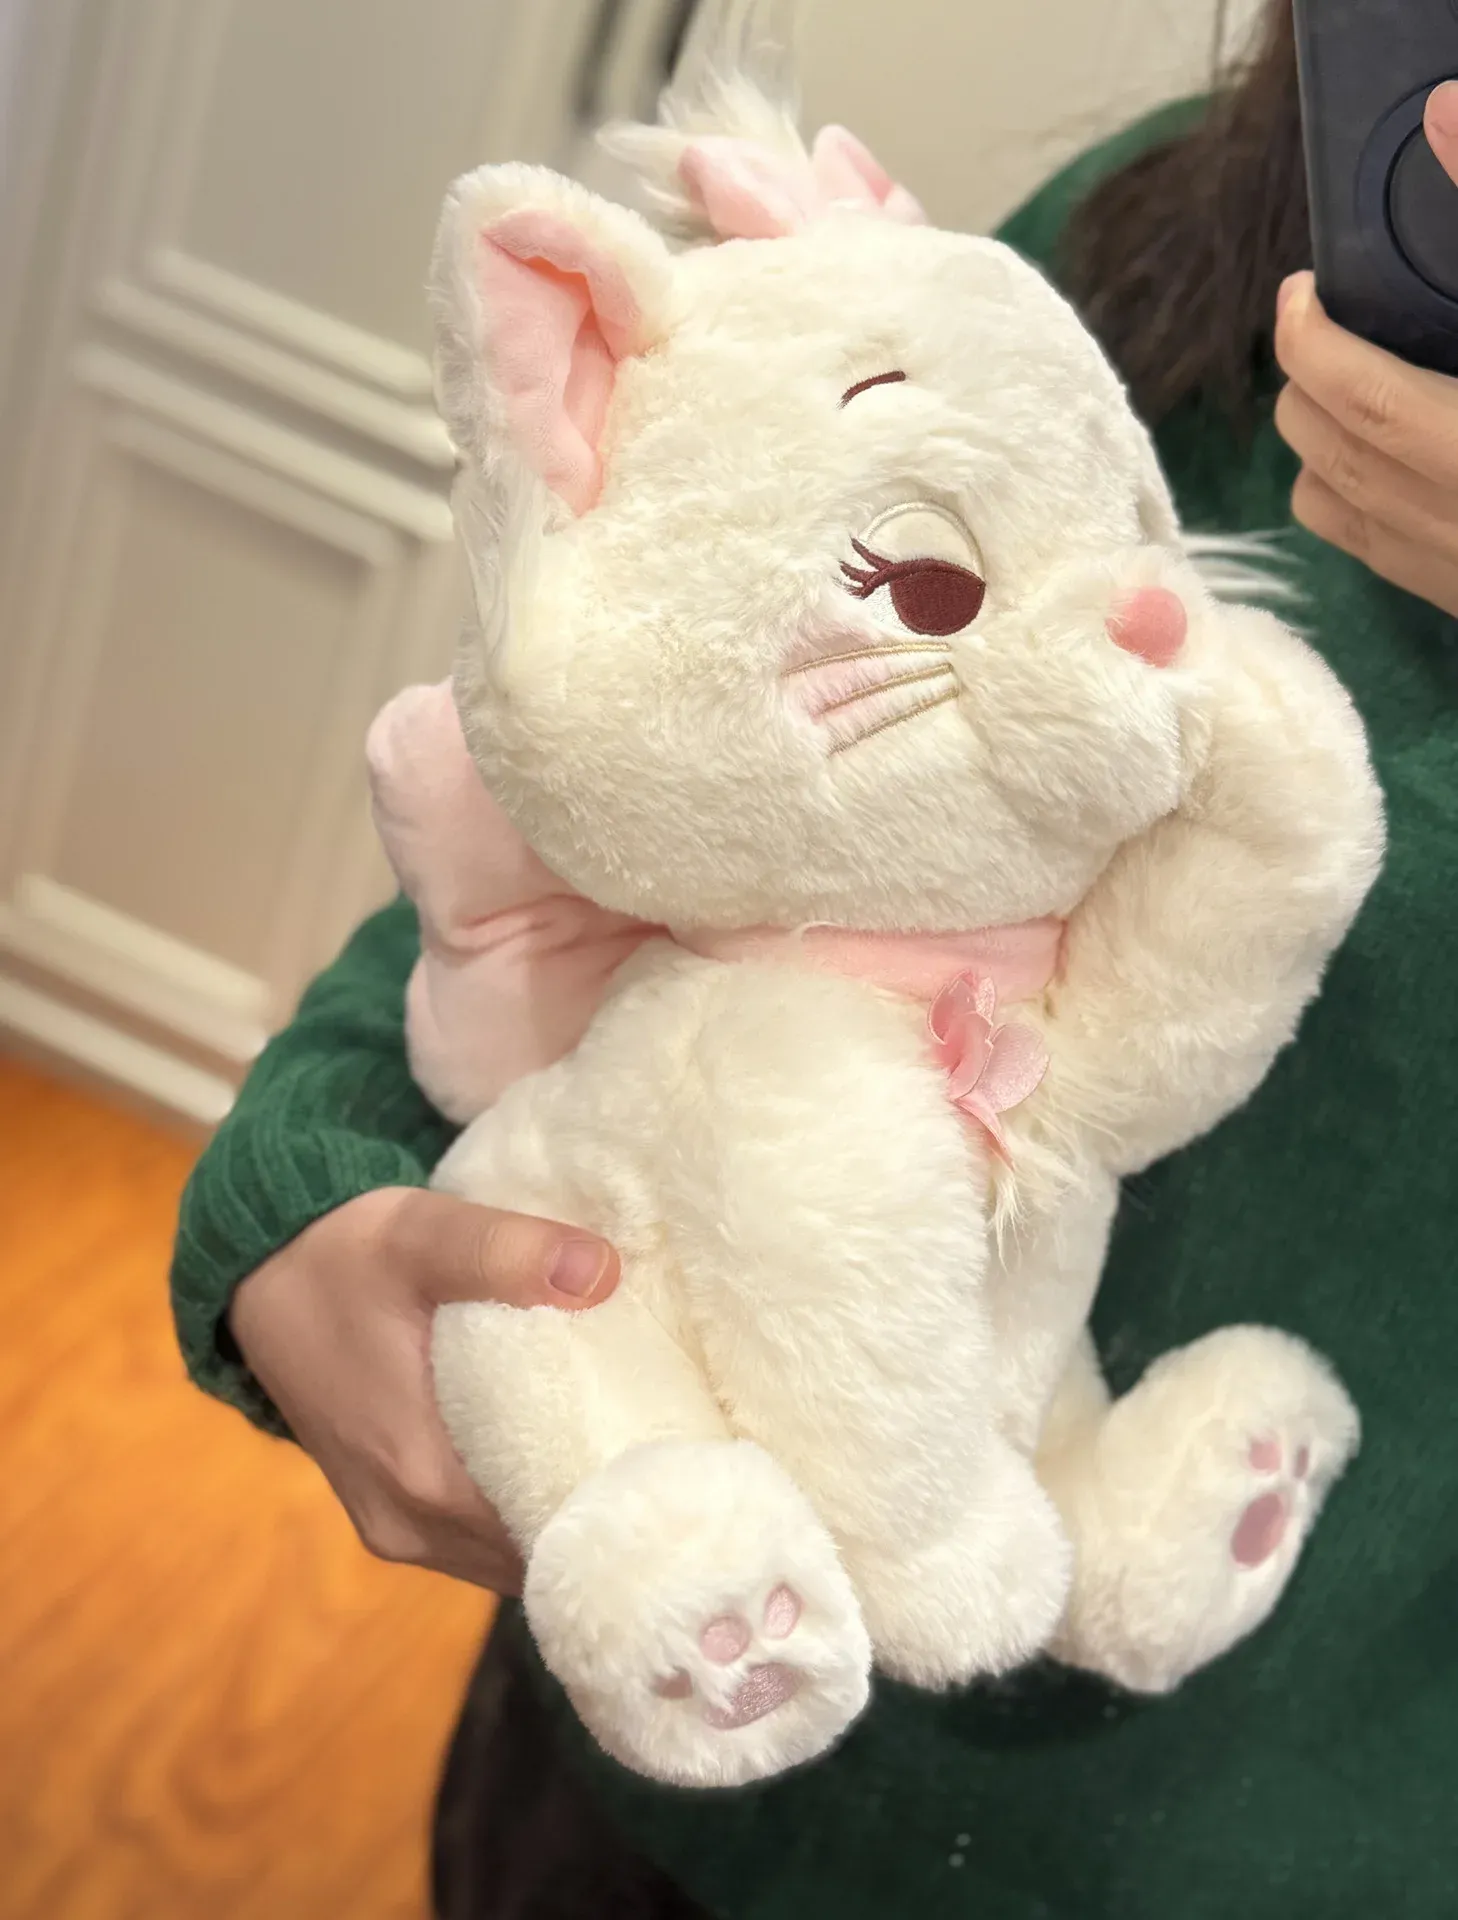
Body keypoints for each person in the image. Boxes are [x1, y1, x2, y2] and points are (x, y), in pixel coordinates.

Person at [171, 5, 1458, 1914]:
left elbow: (1204, 948)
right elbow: (683, 734)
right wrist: (304, 1182)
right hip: (662, 1741)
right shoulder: (1172, 228)